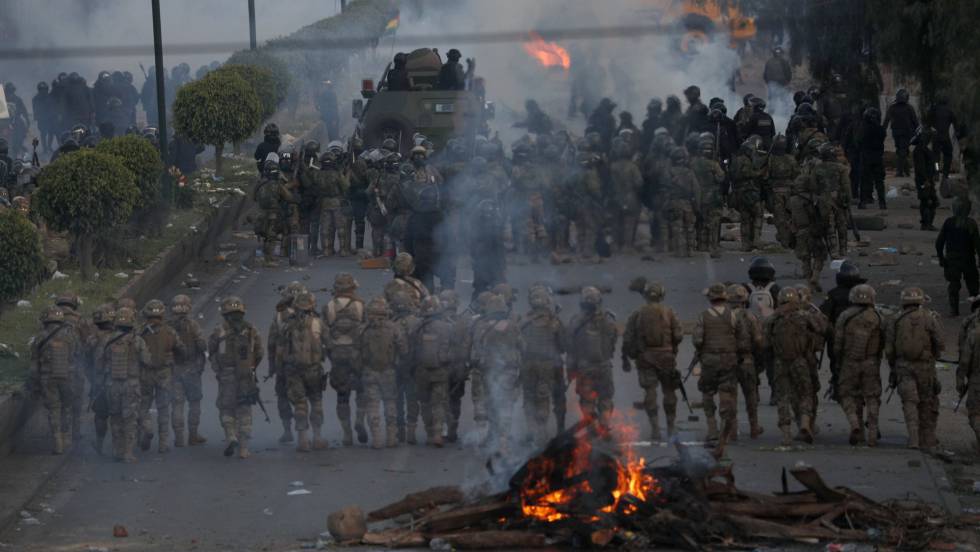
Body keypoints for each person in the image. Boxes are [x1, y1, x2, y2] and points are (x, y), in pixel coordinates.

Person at [623, 282, 683, 440]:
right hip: (666, 358)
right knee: (669, 392)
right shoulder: (669, 312)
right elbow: (678, 335)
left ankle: (655, 428)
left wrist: (633, 355)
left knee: (650, 392)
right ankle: (671, 428)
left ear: (645, 296)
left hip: (645, 359)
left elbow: (628, 337)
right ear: (662, 295)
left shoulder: (637, 314)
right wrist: (672, 348)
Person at [885, 287, 944, 451]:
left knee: (909, 402)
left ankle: (913, 439)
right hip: (925, 368)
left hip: (903, 367)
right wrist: (934, 356)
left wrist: (893, 366)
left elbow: (889, 349)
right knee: (927, 402)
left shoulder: (894, 319)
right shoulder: (929, 318)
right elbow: (940, 342)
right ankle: (927, 439)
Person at [208, 297, 263, 459]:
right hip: (246, 375)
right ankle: (244, 449)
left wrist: (218, 370)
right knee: (244, 410)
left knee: (226, 408)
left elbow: (211, 351)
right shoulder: (252, 330)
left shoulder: (219, 330)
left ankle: (231, 435)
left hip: (226, 375)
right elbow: (259, 352)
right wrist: (252, 367)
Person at [692, 284, 744, 444]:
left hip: (709, 361)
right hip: (729, 360)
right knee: (726, 394)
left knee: (707, 393)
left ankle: (712, 429)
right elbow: (740, 338)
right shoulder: (733, 315)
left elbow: (698, 340)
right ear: (724, 297)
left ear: (710, 298)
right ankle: (727, 430)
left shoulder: (703, 316)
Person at [833, 284, 883, 446]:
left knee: (847, 394)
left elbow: (838, 343)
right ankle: (873, 433)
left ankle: (855, 424)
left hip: (849, 362)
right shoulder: (878, 316)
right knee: (872, 397)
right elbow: (885, 341)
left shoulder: (845, 316)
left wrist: (837, 362)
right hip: (871, 362)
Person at [98, 307, 150, 462]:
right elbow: (147, 361)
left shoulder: (107, 340)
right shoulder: (137, 340)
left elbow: (99, 363)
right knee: (130, 419)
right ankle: (128, 452)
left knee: (115, 417)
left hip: (111, 384)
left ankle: (117, 450)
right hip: (131, 384)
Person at [764, 287, 815, 445]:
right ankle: (805, 424)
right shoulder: (804, 316)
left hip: (780, 362)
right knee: (806, 393)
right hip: (800, 360)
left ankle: (786, 434)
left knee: (783, 397)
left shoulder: (773, 319)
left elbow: (765, 342)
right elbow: (821, 328)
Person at [279, 292, 328, 452]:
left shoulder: (286, 324)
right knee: (316, 402)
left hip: (293, 371)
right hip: (313, 369)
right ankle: (318, 438)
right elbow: (329, 342)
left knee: (299, 404)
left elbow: (280, 348)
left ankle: (302, 440)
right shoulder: (318, 323)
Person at [324, 273, 367, 446]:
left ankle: (347, 433)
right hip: (357, 354)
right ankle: (360, 419)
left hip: (338, 355)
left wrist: (331, 354)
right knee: (361, 391)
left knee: (342, 396)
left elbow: (325, 333)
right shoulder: (360, 304)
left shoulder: (329, 306)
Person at [519, 287, 566, 447]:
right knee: (543, 397)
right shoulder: (554, 321)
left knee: (529, 397)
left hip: (527, 364)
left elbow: (517, 344)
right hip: (547, 365)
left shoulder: (523, 321)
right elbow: (563, 346)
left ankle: (532, 431)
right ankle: (541, 432)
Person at [28, 307, 78, 454]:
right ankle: (66, 436)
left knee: (54, 409)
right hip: (67, 376)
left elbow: (34, 362)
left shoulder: (40, 337)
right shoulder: (70, 336)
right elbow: (76, 354)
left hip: (47, 377)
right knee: (67, 407)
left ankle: (58, 442)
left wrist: (33, 383)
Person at [358, 297, 407, 448]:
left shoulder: (362, 330)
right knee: (390, 403)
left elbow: (356, 352)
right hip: (388, 371)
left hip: (369, 372)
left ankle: (377, 439)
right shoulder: (394, 328)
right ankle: (391, 438)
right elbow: (404, 350)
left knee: (372, 405)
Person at [138, 299, 186, 454]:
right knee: (163, 408)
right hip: (164, 374)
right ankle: (163, 443)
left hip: (145, 374)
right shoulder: (170, 332)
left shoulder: (140, 332)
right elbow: (182, 350)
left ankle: (147, 428)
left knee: (142, 406)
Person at [567, 287, 619, 425]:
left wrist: (570, 370)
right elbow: (613, 341)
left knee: (587, 399)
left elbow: (570, 347)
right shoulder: (609, 320)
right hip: (604, 366)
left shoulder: (575, 322)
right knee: (606, 398)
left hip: (585, 368)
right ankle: (604, 426)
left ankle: (590, 428)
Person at [820, 261, 867, 399]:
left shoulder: (834, 294)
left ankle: (838, 388)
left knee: (836, 363)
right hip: (859, 336)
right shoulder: (862, 293)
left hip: (836, 335)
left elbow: (824, 314)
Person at [411, 296, 453, 447]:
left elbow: (410, 348)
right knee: (439, 404)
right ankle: (438, 433)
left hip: (421, 371)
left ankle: (429, 433)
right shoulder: (447, 327)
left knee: (425, 403)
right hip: (440, 371)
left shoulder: (417, 326)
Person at [268, 282, 306, 444]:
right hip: (305, 364)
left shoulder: (279, 315)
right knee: (303, 398)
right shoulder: (310, 314)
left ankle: (287, 430)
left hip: (283, 363)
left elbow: (271, 343)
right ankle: (305, 433)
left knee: (283, 396)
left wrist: (271, 367)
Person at [727, 285, 764, 439]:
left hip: (728, 361)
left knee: (731, 397)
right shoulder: (750, 317)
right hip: (747, 361)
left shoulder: (724, 317)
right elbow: (758, 341)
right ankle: (754, 427)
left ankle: (732, 430)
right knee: (751, 396)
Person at [169, 295, 207, 447]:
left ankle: (178, 438)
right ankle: (193, 435)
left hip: (173, 370)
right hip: (191, 370)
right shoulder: (193, 325)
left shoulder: (167, 326)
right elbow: (202, 346)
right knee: (194, 403)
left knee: (177, 404)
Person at [936, 197, 980, 316]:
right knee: (973, 285)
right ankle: (975, 310)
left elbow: (939, 242)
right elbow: (977, 244)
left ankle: (954, 310)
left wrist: (941, 258)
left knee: (954, 285)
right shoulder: (971, 224)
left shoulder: (949, 222)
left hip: (952, 259)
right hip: (968, 259)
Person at [86, 304, 116, 455]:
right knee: (119, 415)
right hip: (119, 381)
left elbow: (85, 360)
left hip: (99, 383)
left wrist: (92, 379)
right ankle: (121, 448)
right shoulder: (123, 336)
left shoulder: (92, 339)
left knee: (101, 415)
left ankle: (99, 443)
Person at [689, 137, 725, 256]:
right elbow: (721, 178)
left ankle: (701, 245)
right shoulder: (713, 164)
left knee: (700, 222)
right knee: (713, 222)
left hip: (697, 195)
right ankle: (712, 246)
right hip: (712, 196)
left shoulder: (693, 162)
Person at [732, 136, 766, 251]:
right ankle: (756, 239)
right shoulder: (745, 160)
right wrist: (759, 173)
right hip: (749, 191)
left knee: (745, 218)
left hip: (739, 192)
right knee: (758, 214)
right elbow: (747, 173)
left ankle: (745, 244)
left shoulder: (736, 159)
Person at [664, 147, 700, 257]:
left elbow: (665, 189)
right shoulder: (690, 173)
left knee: (677, 228)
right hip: (688, 204)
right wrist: (697, 206)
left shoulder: (669, 172)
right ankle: (690, 251)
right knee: (689, 228)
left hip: (674, 203)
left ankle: (679, 251)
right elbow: (696, 190)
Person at [316, 151, 351, 257]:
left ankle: (326, 250)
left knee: (325, 228)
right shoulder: (336, 174)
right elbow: (346, 186)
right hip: (336, 202)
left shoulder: (319, 174)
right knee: (341, 227)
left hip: (324, 202)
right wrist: (347, 174)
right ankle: (343, 250)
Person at [856, 107, 887, 209]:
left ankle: (862, 202)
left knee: (864, 180)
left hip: (866, 157)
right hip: (877, 157)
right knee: (879, 181)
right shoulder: (880, 129)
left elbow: (858, 141)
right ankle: (882, 203)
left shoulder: (863, 128)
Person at [883, 89, 919, 177]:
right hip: (906, 133)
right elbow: (915, 122)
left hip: (897, 133)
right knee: (902, 151)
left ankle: (905, 171)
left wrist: (882, 130)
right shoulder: (909, 108)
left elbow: (886, 121)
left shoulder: (892, 107)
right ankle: (900, 171)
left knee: (902, 151)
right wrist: (917, 132)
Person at [912, 126, 940, 231]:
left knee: (933, 201)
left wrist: (937, 172)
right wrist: (925, 180)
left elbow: (936, 162)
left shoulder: (927, 150)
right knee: (927, 200)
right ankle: (926, 223)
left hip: (929, 179)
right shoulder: (919, 151)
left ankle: (928, 223)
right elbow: (920, 168)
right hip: (923, 180)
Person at [926, 96, 958, 180]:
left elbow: (927, 123)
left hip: (936, 137)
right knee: (948, 155)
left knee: (936, 157)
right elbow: (956, 123)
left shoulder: (933, 110)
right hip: (945, 138)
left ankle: (936, 172)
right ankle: (945, 174)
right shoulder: (949, 111)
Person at [3, 83, 30, 156]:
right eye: (9, 91)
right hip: (3, 122)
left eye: (11, 91)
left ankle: (18, 147)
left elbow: (24, 111)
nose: (10, 93)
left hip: (16, 122)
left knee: (20, 135)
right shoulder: (2, 100)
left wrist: (27, 120)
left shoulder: (18, 100)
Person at [32, 81, 57, 154]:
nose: (43, 91)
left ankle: (49, 146)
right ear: (39, 89)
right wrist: (37, 116)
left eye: (45, 89)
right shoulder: (35, 98)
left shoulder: (50, 97)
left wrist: (55, 115)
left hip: (51, 118)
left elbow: (54, 107)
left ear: (47, 89)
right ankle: (45, 148)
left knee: (51, 133)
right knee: (43, 134)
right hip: (42, 119)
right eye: (42, 89)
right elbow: (35, 109)